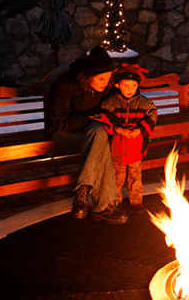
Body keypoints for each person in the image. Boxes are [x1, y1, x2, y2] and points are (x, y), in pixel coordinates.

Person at [44, 46, 128, 224]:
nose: (106, 82)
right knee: (100, 138)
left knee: (99, 134)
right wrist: (91, 117)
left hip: (92, 130)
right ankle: (105, 205)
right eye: (101, 78)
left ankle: (83, 191)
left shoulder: (108, 84)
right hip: (62, 131)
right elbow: (59, 122)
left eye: (109, 77)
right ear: (88, 76)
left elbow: (128, 96)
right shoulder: (66, 84)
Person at [94, 64, 156, 212]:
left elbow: (152, 115)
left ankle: (136, 201)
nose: (130, 89)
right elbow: (102, 115)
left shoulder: (144, 103)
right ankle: (115, 201)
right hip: (117, 146)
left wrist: (139, 130)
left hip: (136, 145)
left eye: (134, 85)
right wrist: (118, 128)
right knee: (117, 175)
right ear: (117, 85)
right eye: (126, 85)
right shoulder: (111, 102)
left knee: (135, 175)